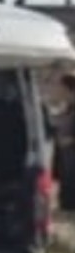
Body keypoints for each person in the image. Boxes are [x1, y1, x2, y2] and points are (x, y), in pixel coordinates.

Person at [51, 73, 75, 210]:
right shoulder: (67, 108)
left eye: (61, 88)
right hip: (65, 157)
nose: (58, 91)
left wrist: (70, 140)